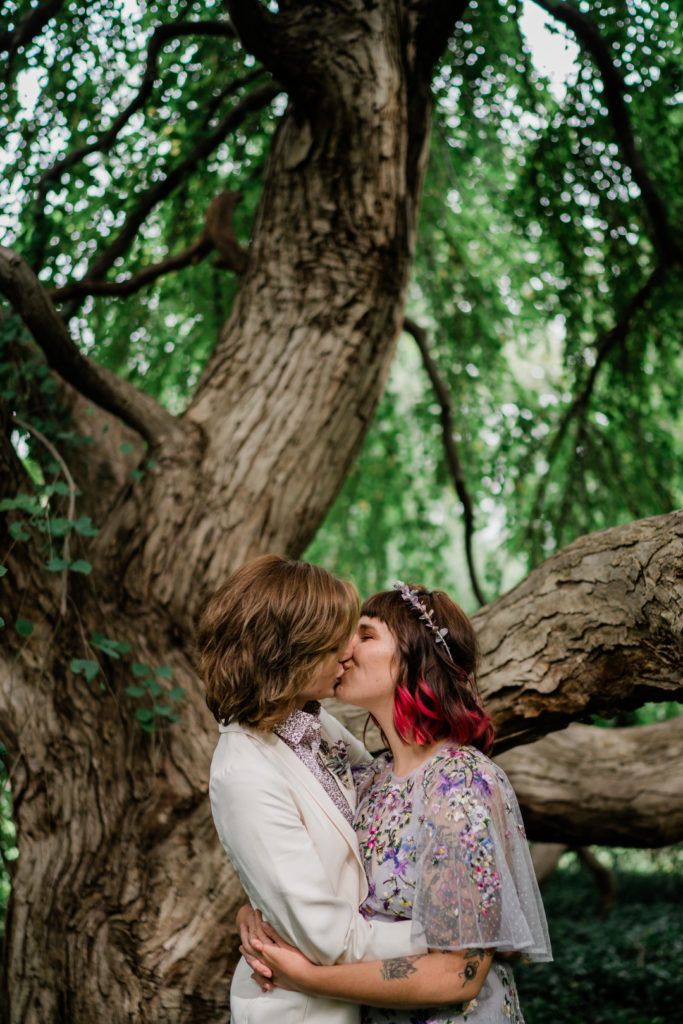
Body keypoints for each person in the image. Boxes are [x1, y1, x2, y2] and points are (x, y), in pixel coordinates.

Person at [247, 581, 552, 1023]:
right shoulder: (369, 780)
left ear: (415, 657)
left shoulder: (459, 784)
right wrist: (255, 913)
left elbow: (458, 973)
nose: (345, 648)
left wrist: (307, 978)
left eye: (366, 635)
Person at [197, 555, 427, 1024]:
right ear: (287, 655)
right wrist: (451, 931)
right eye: (331, 643)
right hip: (301, 1010)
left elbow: (382, 804)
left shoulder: (311, 722)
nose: (348, 651)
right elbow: (330, 938)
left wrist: (262, 904)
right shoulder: (243, 774)